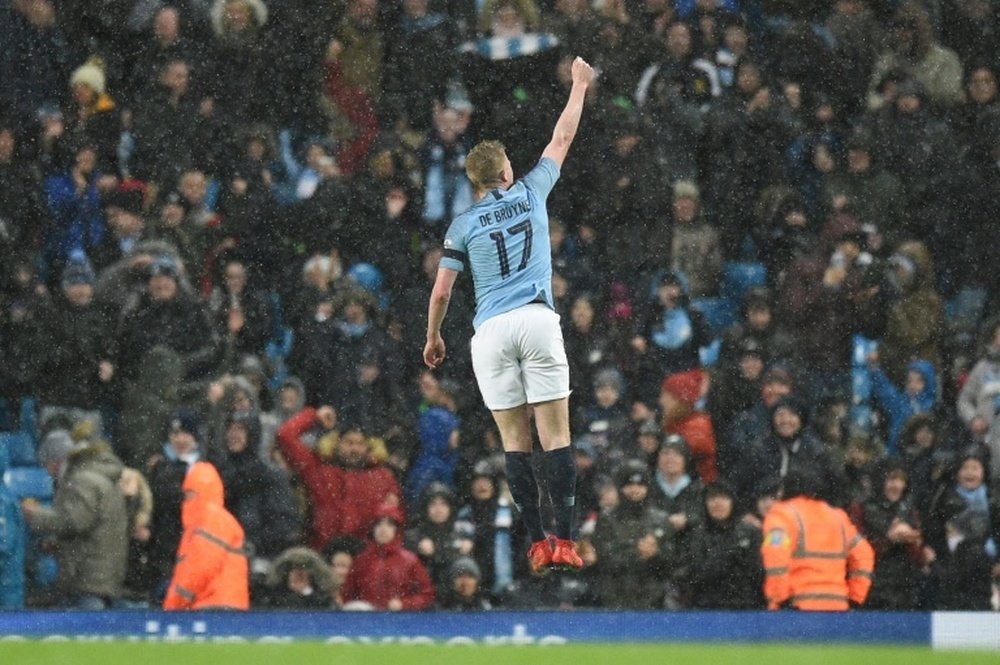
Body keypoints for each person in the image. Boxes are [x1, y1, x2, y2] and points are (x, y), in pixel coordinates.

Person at [423, 56, 595, 574]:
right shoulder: (530, 189)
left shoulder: (463, 224)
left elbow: (441, 290)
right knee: (556, 437)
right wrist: (579, 86)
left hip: (490, 331)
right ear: (506, 171)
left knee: (515, 444)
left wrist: (433, 337)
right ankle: (564, 540)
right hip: (537, 319)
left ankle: (537, 543)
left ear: (476, 183)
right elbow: (561, 138)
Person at [21, 430, 129, 609]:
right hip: (102, 574)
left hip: (88, 579)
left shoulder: (82, 480)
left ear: (55, 462)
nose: (47, 472)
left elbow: (73, 522)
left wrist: (33, 514)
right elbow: (91, 526)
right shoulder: (97, 476)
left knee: (86, 632)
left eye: (46, 464)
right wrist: (56, 544)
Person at [761, 468, 874, 611]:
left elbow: (775, 555)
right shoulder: (838, 517)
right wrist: (855, 597)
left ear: (785, 489)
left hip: (797, 607)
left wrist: (781, 599)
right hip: (837, 607)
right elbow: (864, 554)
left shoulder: (781, 515)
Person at [163, 461, 249, 610]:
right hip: (221, 604)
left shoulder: (211, 518)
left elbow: (200, 568)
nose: (187, 500)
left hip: (215, 606)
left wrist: (173, 605)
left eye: (191, 494)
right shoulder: (208, 521)